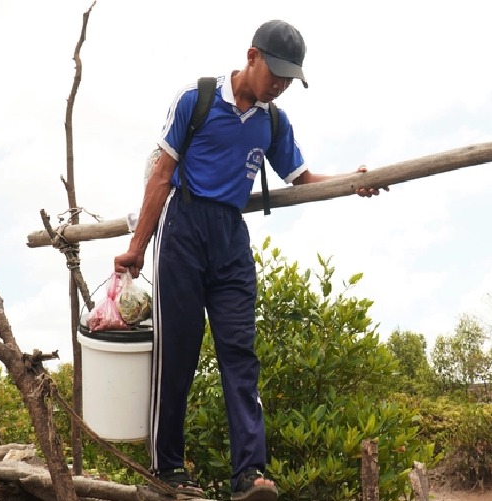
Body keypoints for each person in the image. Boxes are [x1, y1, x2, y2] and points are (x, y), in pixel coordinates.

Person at [114, 19, 388, 501]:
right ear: (251, 56)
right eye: (275, 72)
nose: (280, 85)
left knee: (241, 353)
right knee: (178, 349)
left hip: (231, 241)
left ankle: (250, 474)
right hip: (184, 228)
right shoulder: (195, 99)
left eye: (289, 78)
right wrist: (137, 247)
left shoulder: (273, 121)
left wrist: (350, 180)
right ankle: (168, 467)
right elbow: (161, 176)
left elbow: (302, 179)